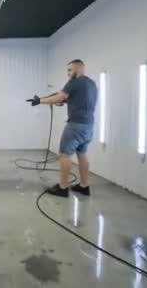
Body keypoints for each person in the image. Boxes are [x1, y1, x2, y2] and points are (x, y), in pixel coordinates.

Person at [28, 59, 98, 197]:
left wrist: (39, 101)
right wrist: (65, 101)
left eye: (69, 70)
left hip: (75, 125)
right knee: (82, 154)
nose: (68, 73)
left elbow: (59, 97)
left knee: (65, 155)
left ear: (77, 69)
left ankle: (63, 187)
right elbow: (77, 100)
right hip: (88, 125)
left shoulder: (75, 82)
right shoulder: (91, 83)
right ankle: (84, 186)